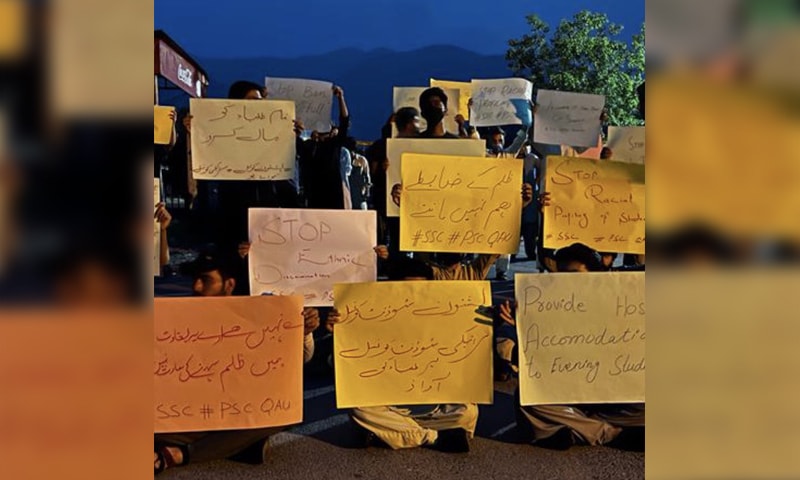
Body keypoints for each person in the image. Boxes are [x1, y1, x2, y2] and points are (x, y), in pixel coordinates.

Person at [154, 251, 320, 474]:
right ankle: (234, 446)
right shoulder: (177, 315)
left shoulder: (257, 314)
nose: (197, 286)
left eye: (206, 280)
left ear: (229, 284)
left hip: (233, 410)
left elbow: (299, 360)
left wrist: (304, 332)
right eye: (195, 279)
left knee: (279, 414)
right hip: (189, 410)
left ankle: (179, 454)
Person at [497, 243, 645, 451]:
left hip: (621, 398)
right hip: (575, 395)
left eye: (575, 274)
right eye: (562, 275)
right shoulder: (546, 309)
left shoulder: (625, 304)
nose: (567, 281)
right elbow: (537, 368)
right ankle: (608, 434)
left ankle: (577, 429)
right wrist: (522, 329)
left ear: (596, 276)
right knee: (527, 399)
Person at [324, 257, 478, 452]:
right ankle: (434, 437)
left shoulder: (445, 318)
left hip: (434, 407)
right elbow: (337, 364)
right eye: (406, 291)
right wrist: (339, 335)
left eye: (420, 291)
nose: (413, 297)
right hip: (388, 406)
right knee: (359, 410)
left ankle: (394, 434)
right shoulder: (372, 317)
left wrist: (486, 327)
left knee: (467, 411)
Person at [298, 86, 351, 209]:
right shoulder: (308, 145)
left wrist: (340, 98)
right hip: (313, 192)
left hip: (333, 192)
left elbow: (345, 122)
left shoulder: (333, 143)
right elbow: (294, 139)